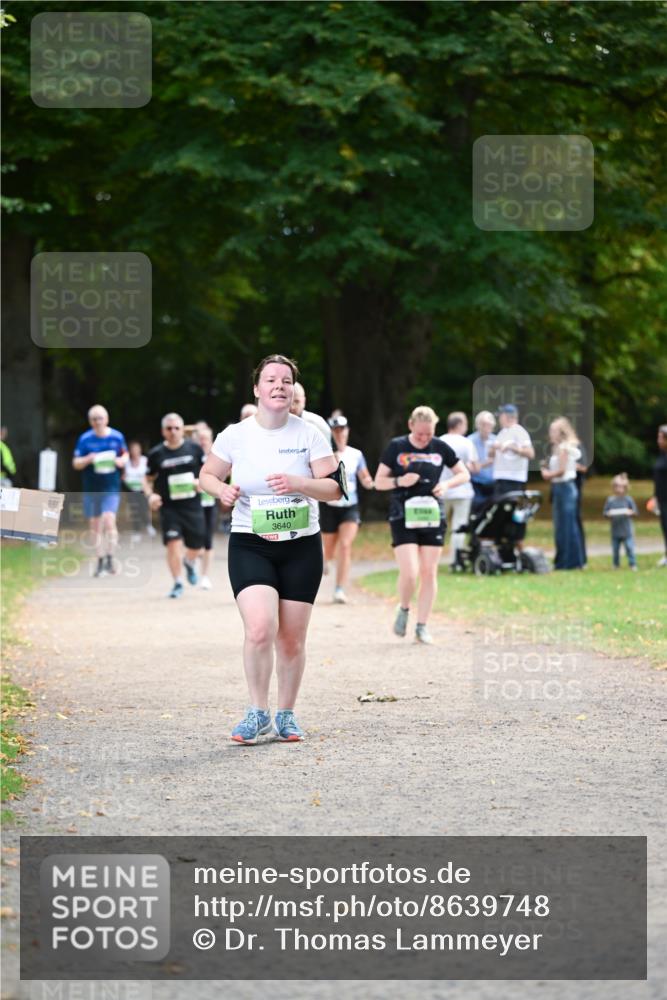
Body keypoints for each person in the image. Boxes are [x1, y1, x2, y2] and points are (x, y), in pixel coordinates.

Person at [199, 354, 341, 744]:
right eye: (271, 380)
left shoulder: (310, 433)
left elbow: (333, 489)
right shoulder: (235, 435)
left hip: (301, 547)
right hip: (251, 543)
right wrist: (221, 489)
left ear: (294, 389)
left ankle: (286, 715)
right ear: (257, 389)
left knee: (291, 639)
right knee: (260, 628)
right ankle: (257, 712)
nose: (279, 386)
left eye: (286, 381)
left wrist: (299, 483)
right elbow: (207, 475)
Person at [374, 406, 470, 645]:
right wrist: (399, 480)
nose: (424, 439)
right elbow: (378, 482)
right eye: (420, 435)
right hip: (402, 513)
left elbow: (464, 474)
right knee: (410, 572)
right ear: (410, 426)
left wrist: (446, 486)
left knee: (429, 571)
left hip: (431, 514)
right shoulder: (396, 447)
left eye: (428, 435)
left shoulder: (439, 447)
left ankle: (422, 626)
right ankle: (404, 608)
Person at [145, 413, 206, 598]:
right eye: (169, 428)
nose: (173, 432)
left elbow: (208, 472)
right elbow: (147, 479)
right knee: (173, 543)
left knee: (197, 546)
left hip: (193, 506)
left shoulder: (195, 449)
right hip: (169, 508)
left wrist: (200, 482)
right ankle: (177, 582)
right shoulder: (156, 454)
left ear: (182, 430)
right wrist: (150, 495)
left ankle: (189, 561)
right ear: (163, 431)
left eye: (176, 428)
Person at [320, 415, 374, 604]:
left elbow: (364, 475)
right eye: (335, 430)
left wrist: (368, 482)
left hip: (350, 506)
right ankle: (325, 560)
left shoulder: (356, 454)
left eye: (342, 429)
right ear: (330, 433)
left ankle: (339, 588)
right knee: (328, 549)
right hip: (329, 506)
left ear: (347, 431)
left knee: (345, 545)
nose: (340, 433)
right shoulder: (324, 454)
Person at [72, 405, 128, 577]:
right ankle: (100, 560)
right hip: (91, 488)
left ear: (107, 419)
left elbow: (125, 455)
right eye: (94, 419)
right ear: (90, 421)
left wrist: (120, 461)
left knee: (109, 519)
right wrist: (88, 459)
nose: (97, 422)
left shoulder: (117, 437)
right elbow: (76, 463)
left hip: (111, 486)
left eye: (100, 418)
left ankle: (110, 557)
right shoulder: (85, 439)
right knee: (95, 526)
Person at [540, 417, 585, 570]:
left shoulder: (564, 448)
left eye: (553, 431)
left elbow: (561, 471)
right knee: (563, 526)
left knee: (566, 527)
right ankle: (568, 561)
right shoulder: (558, 448)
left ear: (560, 433)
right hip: (560, 488)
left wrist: (548, 474)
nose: (550, 434)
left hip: (565, 488)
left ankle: (567, 562)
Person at [490, 404, 535, 548]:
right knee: (500, 514)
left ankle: (516, 542)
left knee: (514, 514)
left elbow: (530, 453)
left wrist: (512, 447)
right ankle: (503, 542)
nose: (499, 419)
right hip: (501, 479)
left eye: (500, 416)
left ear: (506, 416)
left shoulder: (519, 431)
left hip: (514, 480)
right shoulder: (503, 432)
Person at [440, 412, 479, 570]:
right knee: (459, 527)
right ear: (459, 425)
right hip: (462, 491)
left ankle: (432, 556)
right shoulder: (466, 443)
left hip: (442, 489)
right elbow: (474, 467)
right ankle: (455, 561)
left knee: (439, 526)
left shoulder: (439, 441)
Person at [196, 425, 219, 590]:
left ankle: (205, 576)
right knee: (194, 540)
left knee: (208, 541)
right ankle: (194, 561)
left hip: (210, 503)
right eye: (200, 438)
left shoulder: (217, 455)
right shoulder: (190, 454)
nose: (203, 442)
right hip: (191, 505)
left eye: (206, 438)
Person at [603, 473, 638, 571]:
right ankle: (616, 564)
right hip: (615, 531)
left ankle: (632, 564)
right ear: (613, 487)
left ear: (626, 488)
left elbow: (635, 512)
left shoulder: (628, 500)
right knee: (615, 549)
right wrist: (609, 514)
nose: (619, 489)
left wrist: (630, 512)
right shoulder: (610, 500)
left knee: (629, 548)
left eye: (621, 487)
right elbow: (605, 513)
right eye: (617, 487)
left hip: (627, 531)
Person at [122, 441, 155, 541]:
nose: (135, 451)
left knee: (144, 509)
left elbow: (150, 475)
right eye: (133, 449)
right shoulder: (127, 462)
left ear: (140, 450)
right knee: (134, 510)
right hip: (131, 490)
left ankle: (148, 525)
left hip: (143, 490)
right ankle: (136, 531)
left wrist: (149, 487)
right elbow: (123, 476)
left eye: (136, 449)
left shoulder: (145, 460)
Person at [467, 411, 496, 510]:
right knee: (476, 511)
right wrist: (486, 463)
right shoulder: (470, 441)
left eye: (489, 424)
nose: (486, 427)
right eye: (483, 424)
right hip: (476, 483)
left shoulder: (497, 441)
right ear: (477, 425)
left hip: (494, 484)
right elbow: (469, 466)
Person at [651, 424, 667, 567]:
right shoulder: (662, 455)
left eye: (660, 437)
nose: (658, 440)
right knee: (665, 526)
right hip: (661, 498)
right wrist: (655, 496)